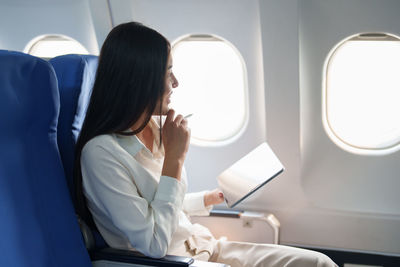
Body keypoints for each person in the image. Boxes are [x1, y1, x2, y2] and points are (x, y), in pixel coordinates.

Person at [74, 22, 337, 267]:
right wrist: (174, 160)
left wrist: (205, 199)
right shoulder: (100, 154)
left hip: (203, 246)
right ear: (139, 79)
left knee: (318, 263)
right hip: (175, 262)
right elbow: (154, 242)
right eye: (168, 72)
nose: (175, 82)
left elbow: (159, 207)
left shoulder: (154, 128)